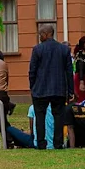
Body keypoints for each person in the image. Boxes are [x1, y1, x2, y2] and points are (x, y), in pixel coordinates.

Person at [28, 24, 71, 152]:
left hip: (40, 88)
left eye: (40, 34)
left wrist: (32, 86)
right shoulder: (64, 49)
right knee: (59, 116)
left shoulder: (37, 49)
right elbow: (69, 71)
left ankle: (41, 143)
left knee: (40, 116)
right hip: (59, 88)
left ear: (46, 34)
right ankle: (58, 143)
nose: (39, 37)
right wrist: (70, 90)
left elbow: (32, 70)